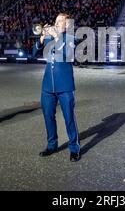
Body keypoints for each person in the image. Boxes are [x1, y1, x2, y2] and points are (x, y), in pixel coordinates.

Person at [35, 13, 81, 162]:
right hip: (48, 85)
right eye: (55, 21)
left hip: (65, 86)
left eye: (60, 21)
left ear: (67, 25)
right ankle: (52, 144)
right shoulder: (49, 37)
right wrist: (41, 38)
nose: (56, 23)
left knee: (69, 119)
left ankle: (74, 148)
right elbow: (34, 53)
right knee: (48, 117)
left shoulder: (71, 38)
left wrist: (56, 37)